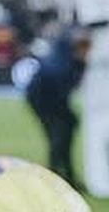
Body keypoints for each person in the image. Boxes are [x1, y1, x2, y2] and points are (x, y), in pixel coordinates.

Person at [25, 26, 93, 192]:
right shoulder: (65, 62)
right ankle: (54, 176)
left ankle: (66, 177)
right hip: (43, 98)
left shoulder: (68, 57)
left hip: (51, 98)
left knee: (66, 129)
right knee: (58, 136)